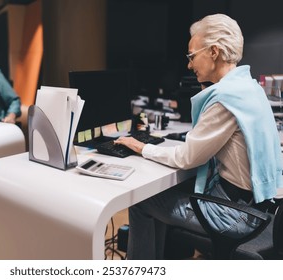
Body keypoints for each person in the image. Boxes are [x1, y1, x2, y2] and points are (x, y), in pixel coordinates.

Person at [114, 13, 283, 259]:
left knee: (141, 202)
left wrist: (141, 147)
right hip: (258, 207)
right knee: (165, 195)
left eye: (192, 56)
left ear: (213, 52)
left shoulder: (225, 99)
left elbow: (187, 158)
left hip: (233, 215)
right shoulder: (249, 88)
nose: (189, 65)